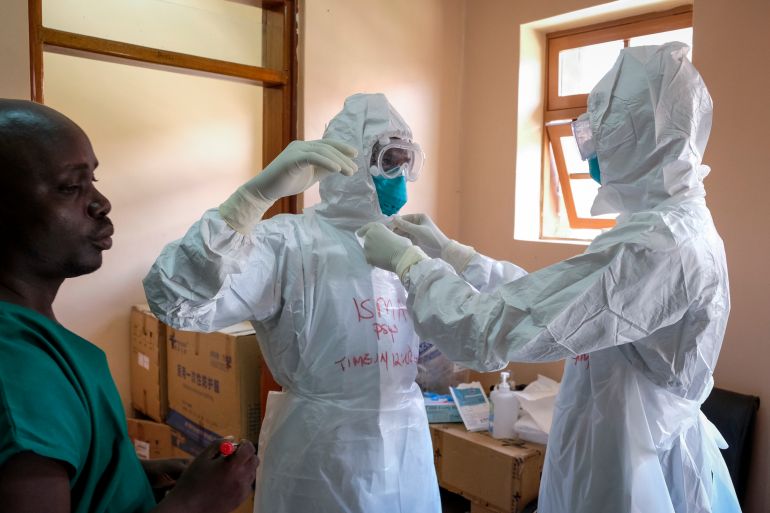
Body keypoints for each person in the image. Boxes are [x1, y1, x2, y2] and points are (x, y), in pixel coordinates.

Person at [359, 43, 741, 513]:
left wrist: (411, 265)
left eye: (600, 134)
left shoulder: (661, 244)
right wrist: (456, 255)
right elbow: (550, 300)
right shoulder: (656, 226)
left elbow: (490, 329)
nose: (589, 152)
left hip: (635, 472)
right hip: (612, 443)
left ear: (642, 139)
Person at [143, 93, 441, 513]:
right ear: (352, 163)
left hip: (407, 446)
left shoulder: (408, 243)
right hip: (318, 455)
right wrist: (251, 200)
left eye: (404, 161)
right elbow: (174, 298)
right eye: (387, 161)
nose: (398, 175)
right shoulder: (286, 242)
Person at [0, 99, 258, 513]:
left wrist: (122, 476)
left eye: (94, 180)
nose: (101, 203)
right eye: (71, 187)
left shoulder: (33, 334)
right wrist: (194, 503)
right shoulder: (18, 372)